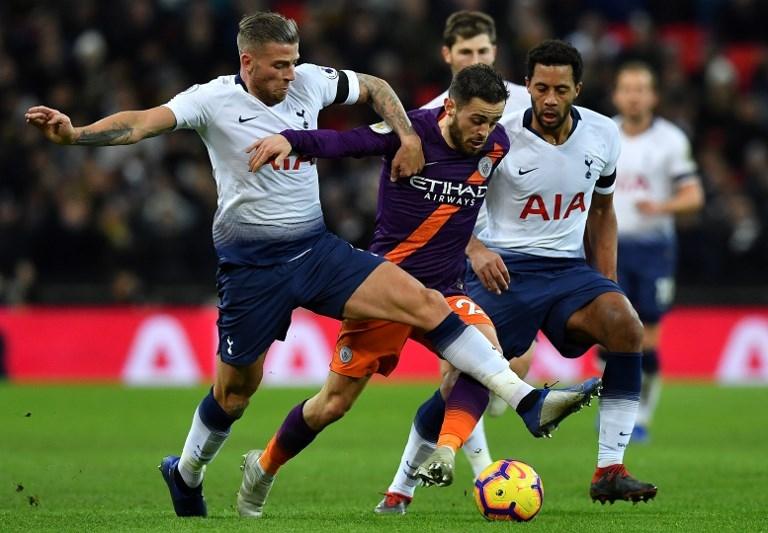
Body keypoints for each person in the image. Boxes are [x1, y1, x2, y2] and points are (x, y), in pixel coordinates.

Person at [25, 13, 591, 519]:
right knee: (236, 394)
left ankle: (527, 401)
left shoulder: (310, 80)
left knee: (425, 302)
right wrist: (75, 135)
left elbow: (373, 86)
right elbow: (145, 120)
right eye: (278, 65)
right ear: (247, 62)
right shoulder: (211, 99)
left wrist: (404, 136)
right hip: (252, 266)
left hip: (317, 251)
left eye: (295, 62)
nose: (291, 74)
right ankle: (188, 472)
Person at [235, 63, 600, 518]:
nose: (484, 132)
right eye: (476, 120)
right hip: (384, 288)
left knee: (485, 354)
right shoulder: (410, 133)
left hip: (445, 289)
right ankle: (264, 466)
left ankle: (447, 451)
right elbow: (347, 143)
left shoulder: (496, 147)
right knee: (332, 405)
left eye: (492, 121)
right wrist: (292, 139)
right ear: (450, 107)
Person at [390, 40, 658, 507]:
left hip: (568, 271)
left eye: (560, 89)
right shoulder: (500, 136)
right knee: (467, 379)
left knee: (626, 325)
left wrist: (608, 282)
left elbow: (602, 211)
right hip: (503, 269)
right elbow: (455, 196)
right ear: (527, 87)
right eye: (540, 88)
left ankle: (610, 469)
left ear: (578, 88)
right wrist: (474, 249)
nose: (549, 99)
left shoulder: (602, 134)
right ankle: (401, 487)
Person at [375, 10, 537, 514]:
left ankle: (403, 488)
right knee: (468, 371)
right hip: (456, 261)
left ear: (494, 53)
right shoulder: (422, 122)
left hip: (509, 258)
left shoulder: (529, 108)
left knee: (501, 368)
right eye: (464, 52)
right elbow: (428, 203)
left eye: (482, 51)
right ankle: (482, 479)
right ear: (448, 56)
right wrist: (474, 246)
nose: (474, 58)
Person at [609, 61, 704, 443]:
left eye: (640, 88)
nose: (633, 96)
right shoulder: (604, 134)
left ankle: (641, 417)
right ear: (616, 94)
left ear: (653, 96)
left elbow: (693, 195)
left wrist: (662, 207)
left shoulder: (671, 140)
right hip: (609, 247)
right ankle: (615, 411)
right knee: (610, 334)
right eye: (627, 88)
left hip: (653, 250)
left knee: (647, 338)